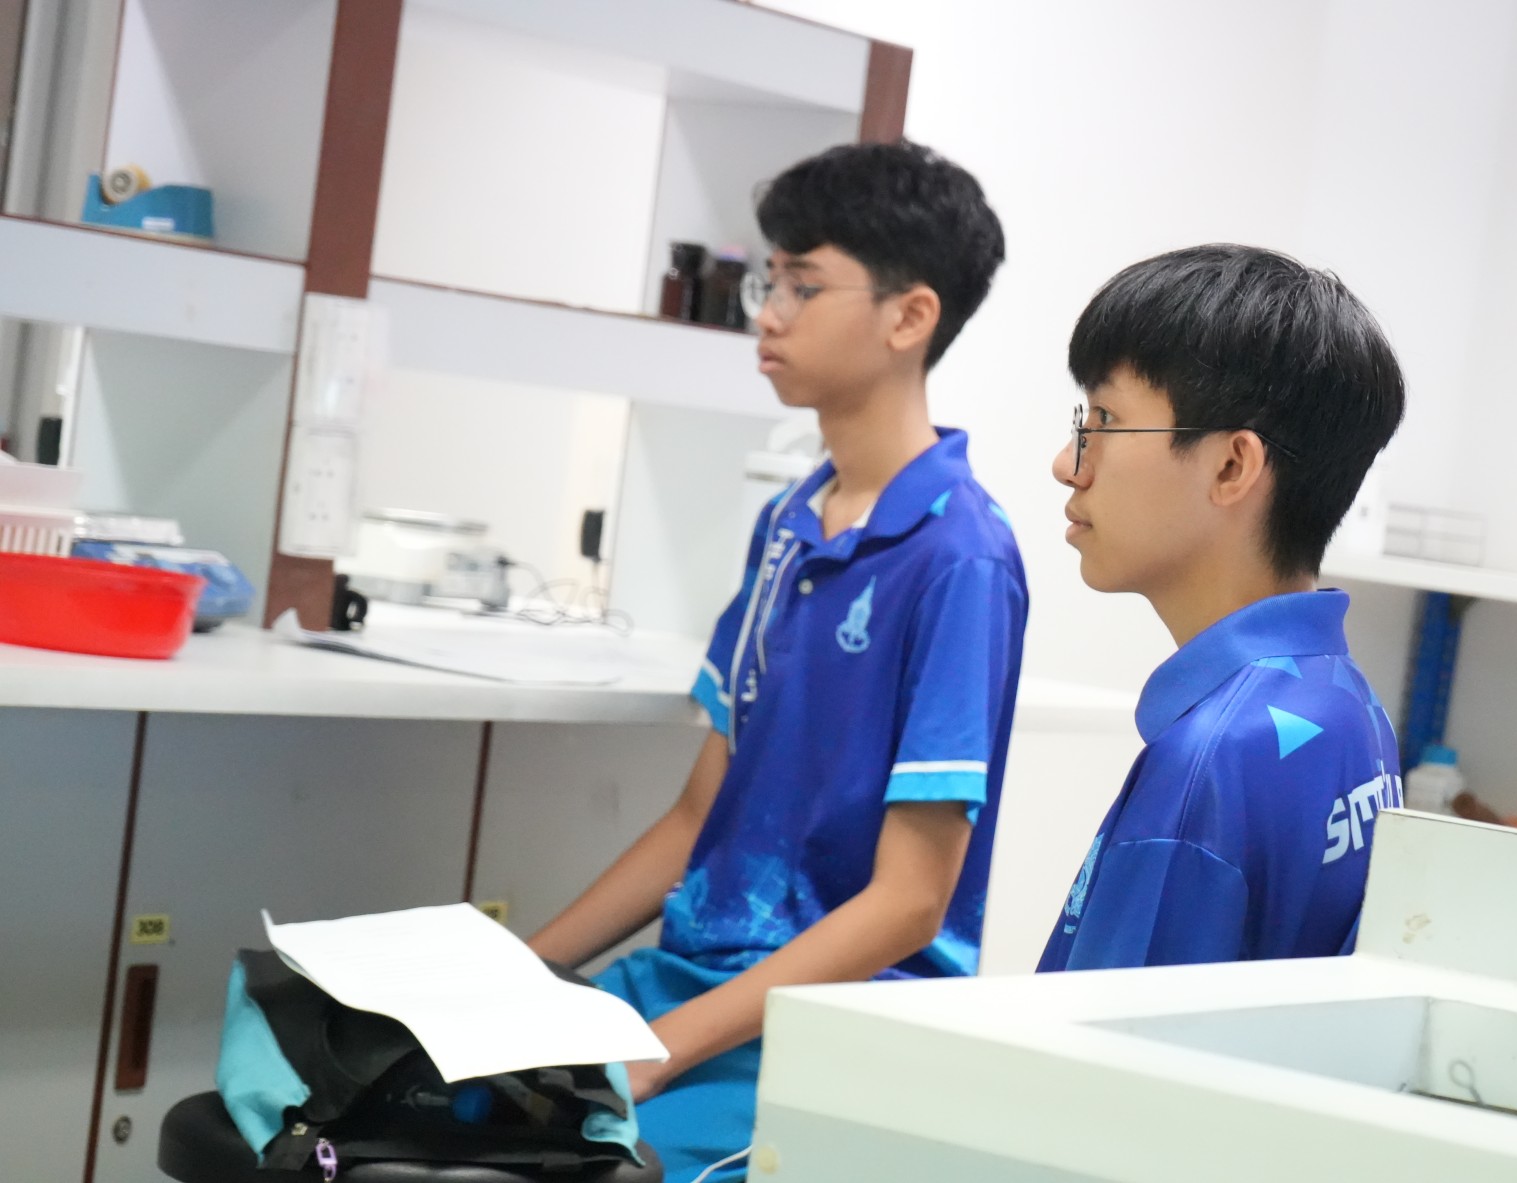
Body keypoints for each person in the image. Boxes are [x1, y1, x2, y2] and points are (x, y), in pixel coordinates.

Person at [528, 141, 1023, 1180]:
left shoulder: (960, 558)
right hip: (693, 986)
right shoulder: (788, 525)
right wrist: (523, 971)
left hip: (837, 1028)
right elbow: (695, 817)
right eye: (771, 281)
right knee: (433, 1099)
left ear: (909, 317)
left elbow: (911, 902)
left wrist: (663, 1050)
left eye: (803, 284)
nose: (769, 313)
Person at [1038, 244, 1406, 973]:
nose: (1068, 465)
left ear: (1233, 465)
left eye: (1105, 419)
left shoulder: (1208, 760)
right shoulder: (1352, 702)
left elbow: (1098, 1040)